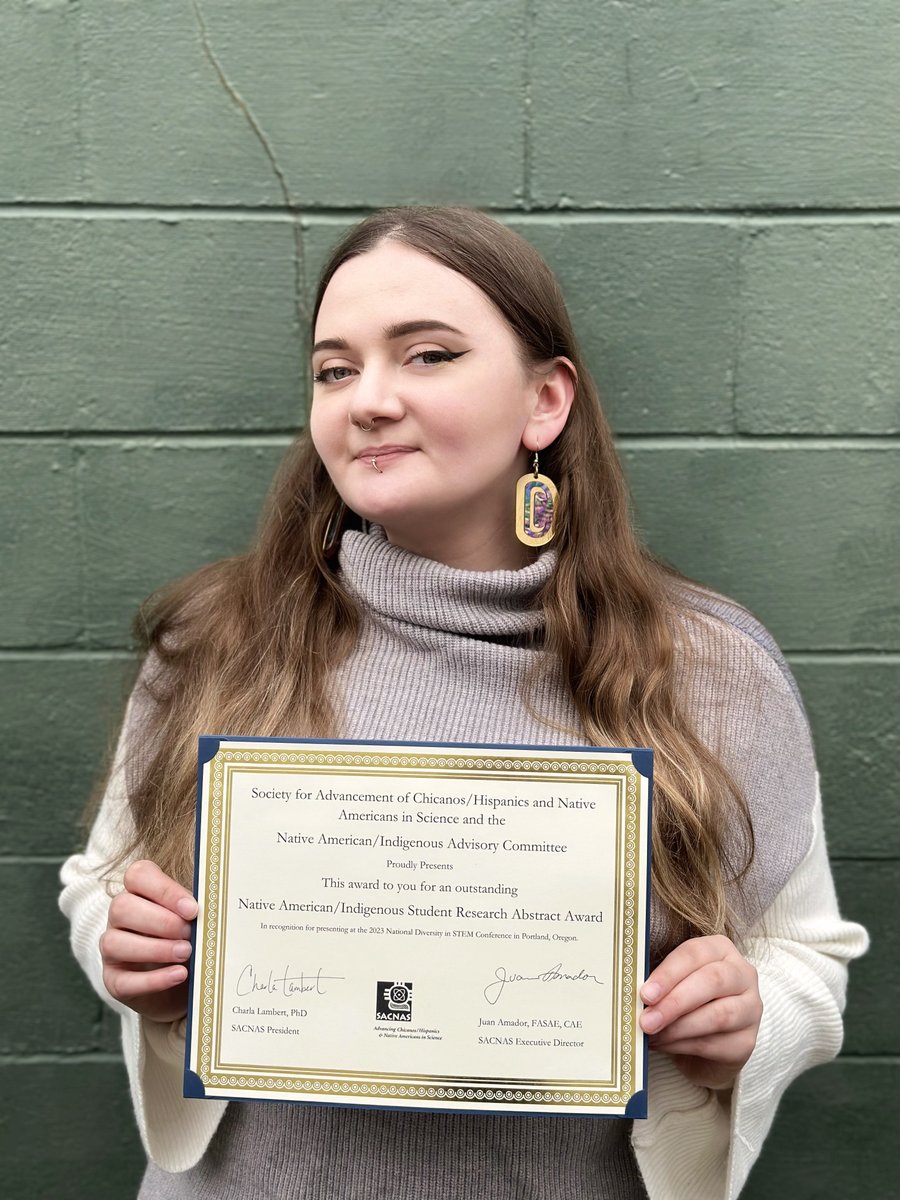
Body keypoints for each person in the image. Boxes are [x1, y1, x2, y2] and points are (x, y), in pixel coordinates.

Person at [60, 206, 867, 1200]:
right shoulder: (217, 640)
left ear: (544, 403)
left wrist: (751, 1017)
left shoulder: (710, 667)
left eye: (428, 355)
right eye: (334, 369)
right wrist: (121, 945)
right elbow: (98, 884)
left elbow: (808, 957)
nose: (367, 400)